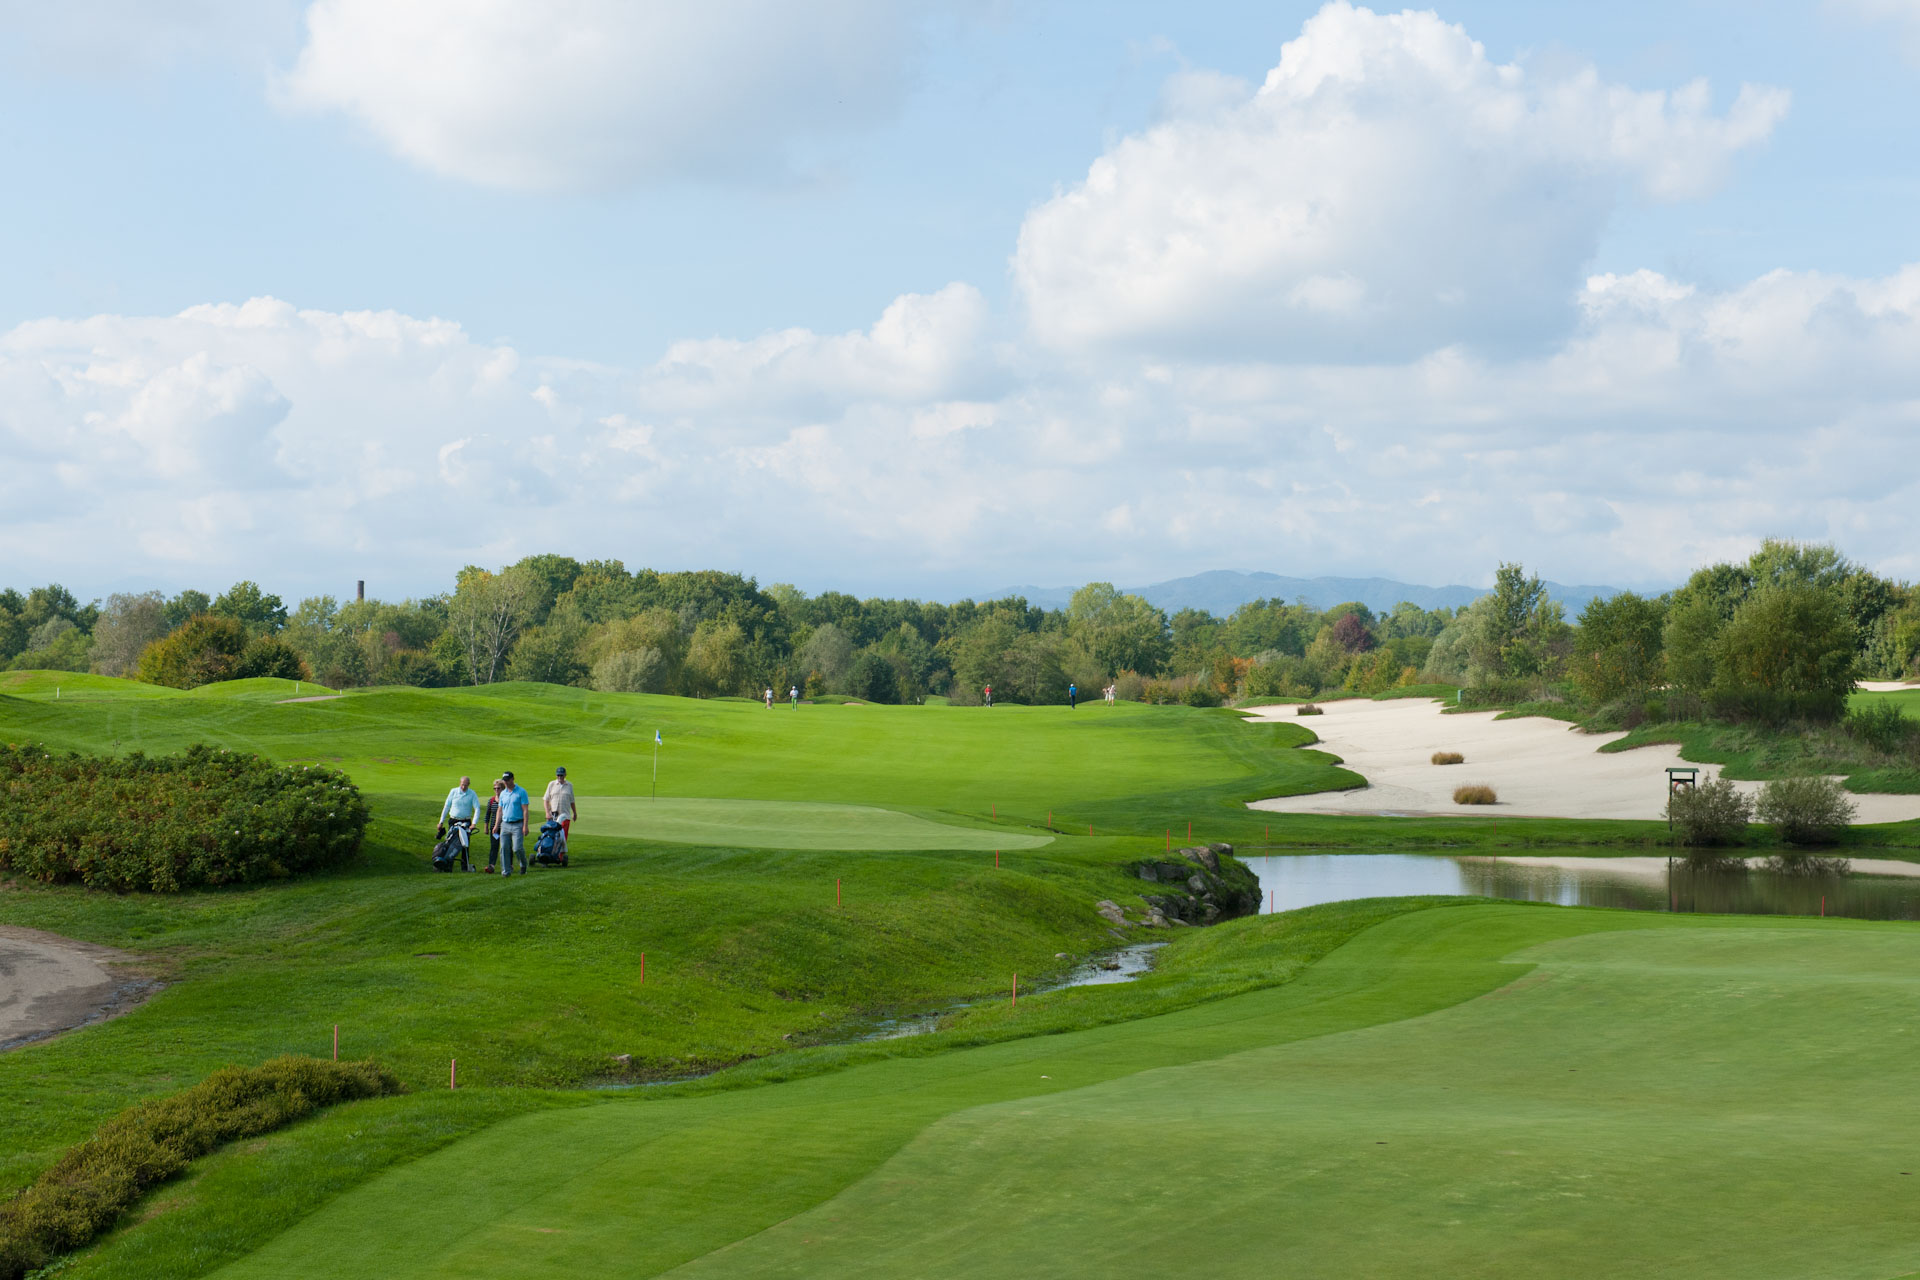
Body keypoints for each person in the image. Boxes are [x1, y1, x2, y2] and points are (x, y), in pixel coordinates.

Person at [436, 775, 480, 871]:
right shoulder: (453, 791)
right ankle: (448, 865)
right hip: (453, 820)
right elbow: (447, 806)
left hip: (465, 821)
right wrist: (441, 821)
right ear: (460, 783)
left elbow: (477, 808)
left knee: (465, 844)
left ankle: (464, 867)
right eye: (462, 784)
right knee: (450, 841)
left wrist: (474, 823)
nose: (463, 787)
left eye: (465, 785)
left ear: (468, 784)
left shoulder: (472, 794)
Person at [496, 771, 531, 877]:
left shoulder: (521, 792)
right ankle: (506, 871)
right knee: (504, 848)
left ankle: (523, 864)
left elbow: (525, 810)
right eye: (504, 780)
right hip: (505, 824)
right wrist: (496, 825)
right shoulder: (503, 793)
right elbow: (500, 810)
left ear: (512, 779)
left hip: (518, 824)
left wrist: (525, 825)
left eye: (507, 780)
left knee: (517, 848)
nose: (505, 782)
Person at [544, 766, 579, 848]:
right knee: (551, 835)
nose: (559, 777)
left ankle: (560, 855)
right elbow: (546, 800)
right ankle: (551, 853)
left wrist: (574, 813)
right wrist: (547, 813)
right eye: (558, 775)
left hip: (565, 815)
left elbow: (572, 801)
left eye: (561, 775)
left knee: (563, 836)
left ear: (565, 775)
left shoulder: (569, 785)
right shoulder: (551, 784)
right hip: (553, 815)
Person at [483, 778, 504, 872]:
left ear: (502, 789)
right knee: (494, 847)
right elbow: (488, 814)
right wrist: (486, 827)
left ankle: (509, 865)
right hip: (494, 829)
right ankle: (491, 866)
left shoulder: (506, 800)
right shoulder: (491, 800)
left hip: (505, 828)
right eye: (494, 788)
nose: (496, 790)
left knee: (506, 847)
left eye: (498, 788)